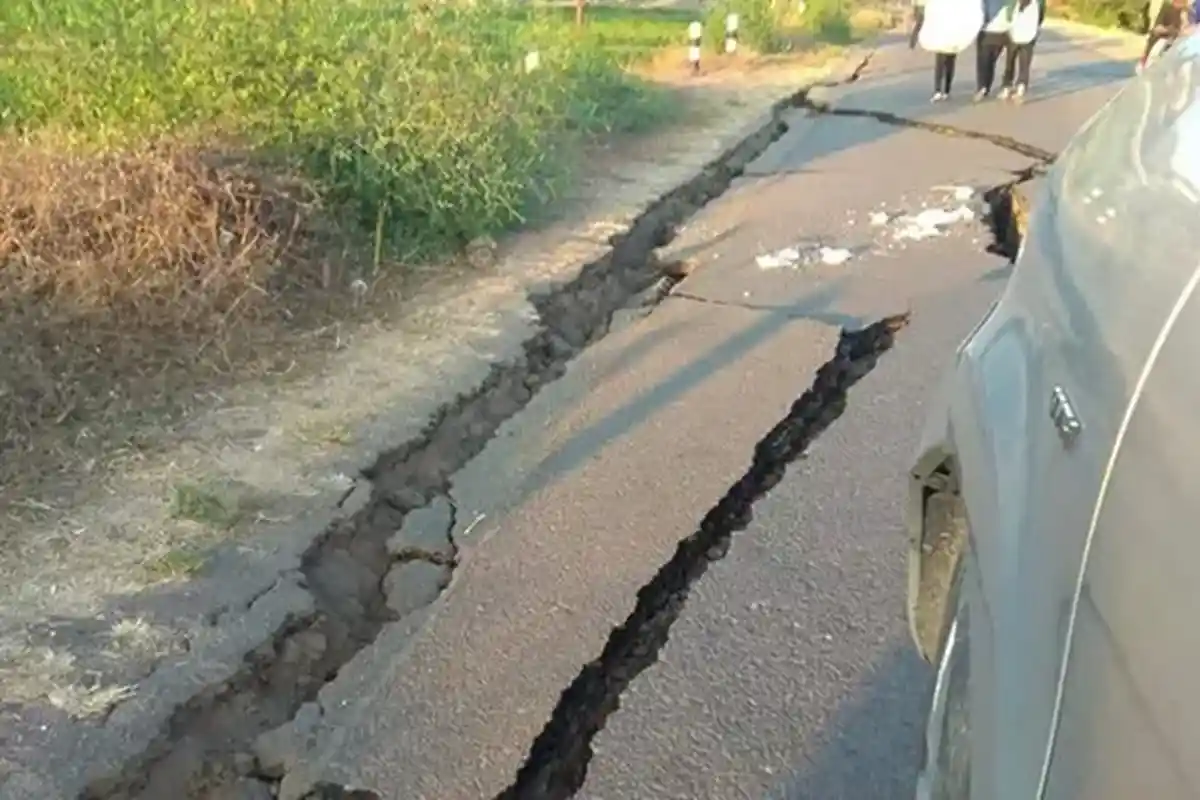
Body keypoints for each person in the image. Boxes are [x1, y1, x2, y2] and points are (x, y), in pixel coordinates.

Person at [998, 0, 1045, 101]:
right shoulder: (1039, 2)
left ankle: (1007, 86)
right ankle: (1021, 87)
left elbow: (1008, 15)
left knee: (1010, 62)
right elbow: (1040, 17)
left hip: (1014, 34)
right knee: (1024, 63)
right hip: (1029, 34)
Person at [974, 0, 1015, 101]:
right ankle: (987, 86)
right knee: (991, 60)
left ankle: (983, 86)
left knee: (985, 61)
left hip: (990, 31)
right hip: (1002, 31)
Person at [1140, 0, 1191, 72]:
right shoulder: (1167, 7)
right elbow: (1157, 30)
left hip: (1176, 47)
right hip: (1162, 45)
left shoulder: (1188, 12)